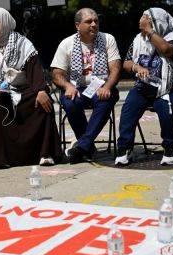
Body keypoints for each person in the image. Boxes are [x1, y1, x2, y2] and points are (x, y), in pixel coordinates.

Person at [0, 7, 62, 168]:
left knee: (43, 102)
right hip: (0, 92)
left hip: (24, 89)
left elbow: (35, 71)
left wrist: (40, 90)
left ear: (2, 24)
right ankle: (3, 158)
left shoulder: (23, 44)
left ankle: (44, 154)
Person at [115, 8, 173, 166]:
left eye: (146, 19)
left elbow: (166, 50)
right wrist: (137, 68)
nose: (141, 22)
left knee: (164, 103)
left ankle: (170, 148)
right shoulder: (138, 39)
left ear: (157, 23)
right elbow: (127, 63)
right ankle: (124, 148)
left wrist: (149, 32)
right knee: (129, 106)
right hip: (146, 86)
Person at [51, 8, 121, 164]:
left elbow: (115, 69)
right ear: (77, 25)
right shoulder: (67, 44)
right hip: (77, 87)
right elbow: (56, 74)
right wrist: (67, 86)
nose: (94, 24)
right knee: (70, 102)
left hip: (102, 85)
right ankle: (87, 147)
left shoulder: (107, 39)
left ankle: (81, 147)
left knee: (105, 100)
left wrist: (107, 87)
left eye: (96, 21)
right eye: (89, 21)